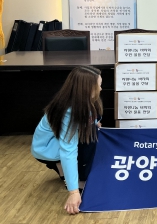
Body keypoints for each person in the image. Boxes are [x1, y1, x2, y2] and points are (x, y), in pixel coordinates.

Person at [31, 66, 103, 215]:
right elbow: (68, 151)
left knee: (92, 130)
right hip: (46, 149)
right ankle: (79, 180)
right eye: (99, 85)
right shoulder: (68, 111)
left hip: (52, 144)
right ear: (86, 89)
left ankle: (61, 168)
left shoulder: (81, 101)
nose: (101, 89)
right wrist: (73, 192)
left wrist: (95, 122)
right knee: (90, 136)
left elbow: (91, 117)